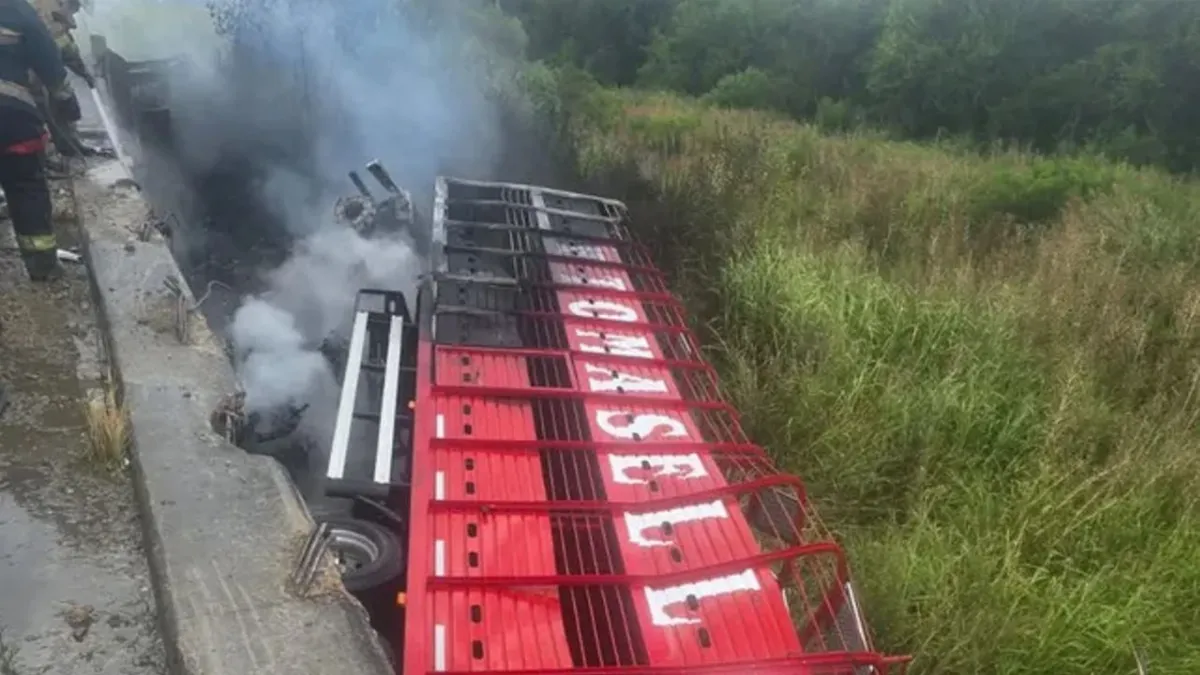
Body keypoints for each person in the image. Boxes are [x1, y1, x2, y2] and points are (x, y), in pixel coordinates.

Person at [0, 0, 81, 281]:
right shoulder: (18, 10)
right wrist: (66, 99)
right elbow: (49, 60)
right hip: (12, 117)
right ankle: (43, 267)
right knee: (25, 186)